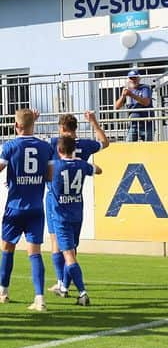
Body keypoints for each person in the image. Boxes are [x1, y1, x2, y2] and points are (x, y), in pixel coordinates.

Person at [0, 108, 55, 311]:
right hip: (35, 208)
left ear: (16, 126)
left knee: (7, 249)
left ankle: (3, 292)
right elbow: (50, 177)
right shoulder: (46, 147)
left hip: (15, 208)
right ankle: (40, 299)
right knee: (35, 253)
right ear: (34, 123)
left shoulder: (11, 146)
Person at [48, 111, 109, 297]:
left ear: (62, 128)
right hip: (76, 201)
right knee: (71, 247)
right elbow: (105, 143)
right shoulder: (86, 145)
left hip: (55, 199)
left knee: (56, 243)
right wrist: (93, 122)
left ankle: (62, 283)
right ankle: (65, 284)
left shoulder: (54, 143)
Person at [50, 135, 101, 306]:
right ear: (74, 150)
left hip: (61, 218)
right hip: (77, 215)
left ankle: (82, 292)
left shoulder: (54, 166)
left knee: (69, 255)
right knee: (71, 252)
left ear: (59, 150)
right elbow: (98, 170)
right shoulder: (82, 165)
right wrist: (83, 163)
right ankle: (64, 287)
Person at [114, 69, 153, 142]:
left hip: (146, 123)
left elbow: (146, 102)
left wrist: (131, 94)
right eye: (131, 78)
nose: (133, 80)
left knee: (148, 147)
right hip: (132, 124)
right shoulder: (126, 90)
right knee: (129, 147)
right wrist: (123, 96)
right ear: (128, 79)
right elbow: (117, 107)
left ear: (139, 78)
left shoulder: (145, 88)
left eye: (135, 78)